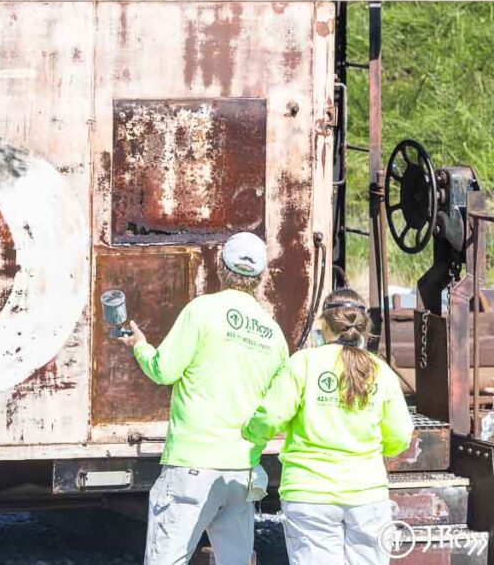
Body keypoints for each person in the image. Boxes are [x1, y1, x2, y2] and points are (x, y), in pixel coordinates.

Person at [119, 231, 288, 565]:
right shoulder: (273, 334)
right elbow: (276, 408)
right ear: (261, 277)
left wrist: (138, 345)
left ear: (219, 266)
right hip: (242, 471)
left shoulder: (202, 311)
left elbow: (163, 370)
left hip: (192, 465)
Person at [241, 288, 414, 565]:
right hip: (367, 493)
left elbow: (271, 418)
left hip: (309, 493)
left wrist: (250, 433)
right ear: (364, 325)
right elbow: (400, 435)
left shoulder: (303, 363)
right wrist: (384, 449)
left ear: (322, 324)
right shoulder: (380, 370)